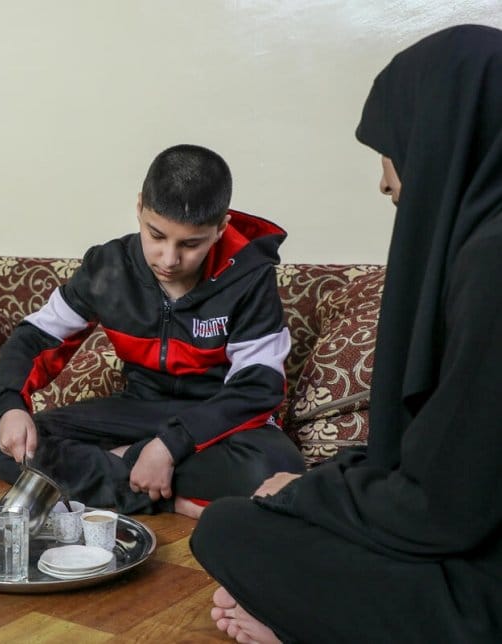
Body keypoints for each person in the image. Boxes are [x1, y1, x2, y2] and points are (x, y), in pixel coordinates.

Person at [191, 24, 502, 643]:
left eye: (390, 149)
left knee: (230, 529)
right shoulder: (481, 247)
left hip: (485, 582)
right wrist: (318, 487)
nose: (386, 182)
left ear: (443, 133)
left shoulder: (493, 266)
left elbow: (444, 510)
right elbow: (444, 458)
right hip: (470, 532)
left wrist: (304, 497)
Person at [0, 144, 305, 517]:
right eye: (156, 235)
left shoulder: (250, 278)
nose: (169, 259)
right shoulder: (107, 266)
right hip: (139, 409)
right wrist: (10, 406)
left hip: (217, 420)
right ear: (139, 208)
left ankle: (128, 472)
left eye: (190, 244)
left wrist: (168, 446)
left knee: (275, 468)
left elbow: (256, 387)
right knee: (3, 443)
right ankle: (172, 498)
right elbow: (37, 337)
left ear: (220, 229)